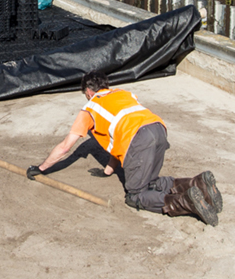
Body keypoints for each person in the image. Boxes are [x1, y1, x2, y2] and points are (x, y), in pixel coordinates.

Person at [29, 73, 222, 226]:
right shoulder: (123, 93)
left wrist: (42, 168)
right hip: (158, 128)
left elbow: (65, 147)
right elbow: (117, 140)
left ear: (88, 91)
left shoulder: (89, 109)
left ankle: (186, 201)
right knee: (151, 182)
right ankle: (198, 184)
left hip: (138, 139)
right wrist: (108, 170)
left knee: (135, 194)